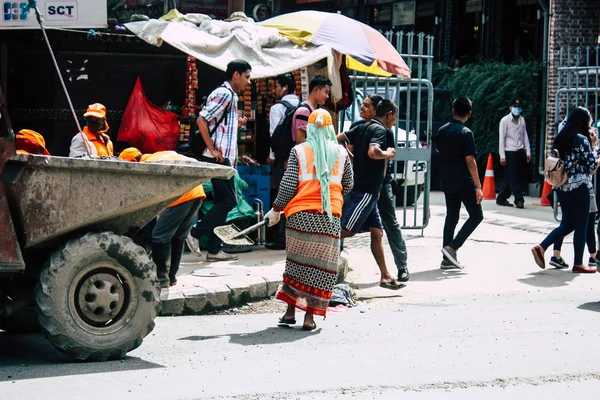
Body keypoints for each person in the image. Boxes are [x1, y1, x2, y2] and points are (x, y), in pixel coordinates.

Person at [265, 109, 353, 331]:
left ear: (310, 129)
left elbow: (287, 185)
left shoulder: (299, 152)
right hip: (329, 218)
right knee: (321, 270)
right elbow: (350, 184)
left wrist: (276, 210)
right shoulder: (341, 154)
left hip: (300, 218)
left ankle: (289, 312)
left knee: (296, 266)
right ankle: (309, 318)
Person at [337, 94, 410, 282]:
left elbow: (338, 139)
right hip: (368, 190)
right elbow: (373, 152)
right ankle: (317, 250)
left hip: (377, 188)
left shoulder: (367, 128)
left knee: (379, 231)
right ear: (389, 114)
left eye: (366, 105)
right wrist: (387, 153)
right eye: (362, 105)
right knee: (348, 229)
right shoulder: (375, 130)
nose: (362, 108)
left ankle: (387, 274)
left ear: (376, 109)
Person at [190, 59, 251, 262]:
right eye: (247, 77)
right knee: (229, 200)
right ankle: (195, 233)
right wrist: (212, 148)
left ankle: (214, 249)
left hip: (224, 157)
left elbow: (220, 125)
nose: (248, 82)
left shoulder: (230, 96)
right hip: (218, 157)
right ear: (236, 75)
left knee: (223, 201)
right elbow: (201, 119)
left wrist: (237, 124)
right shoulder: (224, 93)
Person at [119, 147, 206, 287]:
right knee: (178, 237)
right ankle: (171, 277)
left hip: (181, 196)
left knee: (159, 237)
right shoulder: (160, 154)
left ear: (134, 161)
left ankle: (161, 278)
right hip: (197, 192)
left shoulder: (147, 166)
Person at [531, 107, 599, 273]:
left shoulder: (562, 138)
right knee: (581, 224)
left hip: (562, 187)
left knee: (568, 223)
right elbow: (591, 164)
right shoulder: (582, 140)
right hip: (579, 187)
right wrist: (595, 146)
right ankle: (578, 263)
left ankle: (542, 247)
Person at [437, 96, 484, 269]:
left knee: (452, 216)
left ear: (453, 111)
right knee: (476, 215)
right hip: (463, 180)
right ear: (469, 114)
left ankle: (447, 258)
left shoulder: (442, 130)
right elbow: (470, 160)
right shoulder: (466, 133)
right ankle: (452, 247)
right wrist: (478, 186)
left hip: (447, 179)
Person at [266, 73, 300, 250]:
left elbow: (274, 135)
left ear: (284, 87)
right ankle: (295, 238)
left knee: (282, 197)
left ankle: (281, 239)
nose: (274, 90)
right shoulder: (302, 106)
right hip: (300, 158)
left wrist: (272, 157)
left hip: (283, 160)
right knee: (296, 198)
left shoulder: (277, 108)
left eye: (276, 86)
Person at [497, 99, 531, 209]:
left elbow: (525, 135)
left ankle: (501, 198)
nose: (517, 109)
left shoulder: (522, 120)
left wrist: (528, 151)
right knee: (513, 177)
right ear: (510, 107)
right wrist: (502, 155)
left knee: (512, 176)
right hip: (509, 151)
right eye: (515, 106)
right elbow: (502, 138)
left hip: (520, 151)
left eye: (519, 107)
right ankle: (519, 199)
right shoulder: (505, 121)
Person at [292, 75, 332, 145]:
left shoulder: (311, 109)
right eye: (326, 92)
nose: (327, 96)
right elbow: (300, 140)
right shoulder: (304, 111)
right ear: (316, 90)